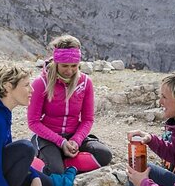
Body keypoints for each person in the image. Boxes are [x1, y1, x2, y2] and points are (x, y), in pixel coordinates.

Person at [27, 35, 113, 175]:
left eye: (74, 66)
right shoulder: (41, 83)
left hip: (74, 135)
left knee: (104, 155)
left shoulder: (85, 83)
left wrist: (76, 140)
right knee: (55, 171)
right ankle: (43, 162)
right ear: (56, 62)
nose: (69, 71)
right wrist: (60, 142)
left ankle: (62, 164)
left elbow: (87, 119)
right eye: (64, 66)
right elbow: (33, 122)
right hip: (48, 137)